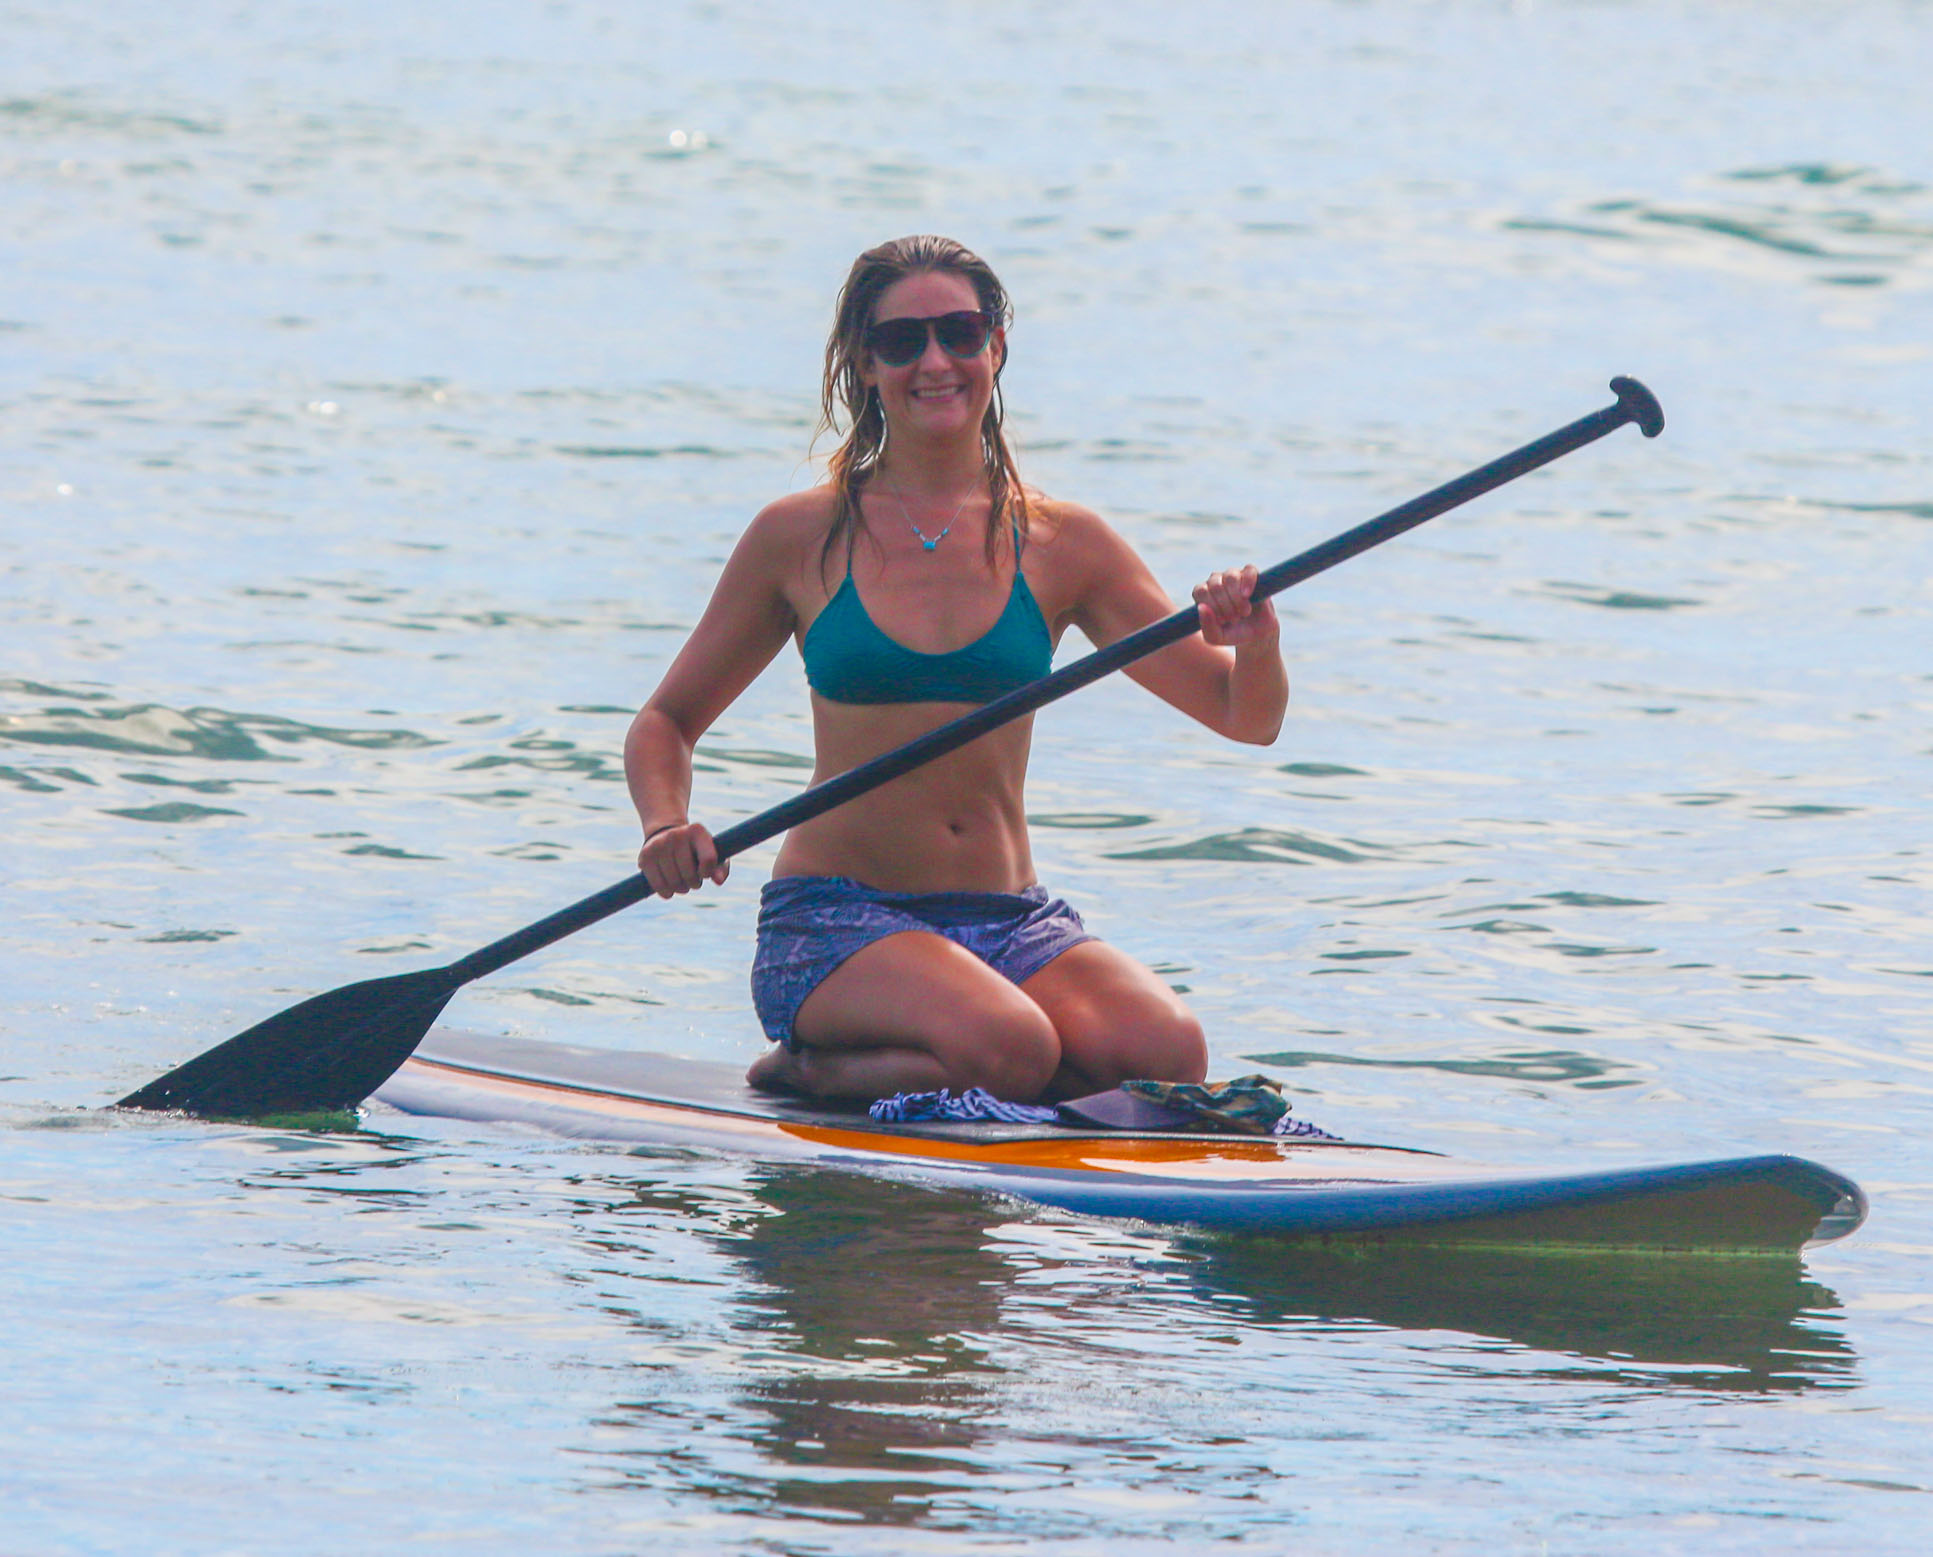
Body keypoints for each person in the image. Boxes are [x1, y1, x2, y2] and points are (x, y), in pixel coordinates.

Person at [625, 235, 1287, 1104]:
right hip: (837, 920)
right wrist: (666, 825)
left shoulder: (1065, 543)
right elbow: (664, 723)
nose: (935, 361)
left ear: (995, 347)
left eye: (959, 333)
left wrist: (1256, 638)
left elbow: (1244, 715)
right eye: (902, 342)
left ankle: (960, 1063)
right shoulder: (798, 536)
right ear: (865, 364)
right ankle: (810, 1066)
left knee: (1167, 1050)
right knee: (1012, 1045)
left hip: (1013, 921)